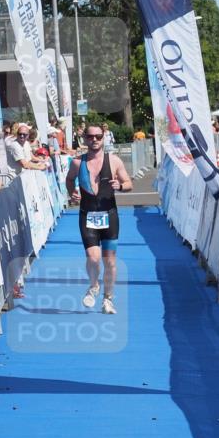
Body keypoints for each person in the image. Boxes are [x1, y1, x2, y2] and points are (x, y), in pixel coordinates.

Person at [65, 125, 132, 315]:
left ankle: (108, 299)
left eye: (98, 136)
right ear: (84, 139)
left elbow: (129, 184)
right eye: (90, 136)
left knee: (109, 261)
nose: (94, 140)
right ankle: (94, 286)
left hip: (109, 215)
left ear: (104, 138)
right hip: (87, 214)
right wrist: (72, 193)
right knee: (93, 258)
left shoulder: (114, 160)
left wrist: (120, 186)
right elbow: (69, 180)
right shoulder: (77, 163)